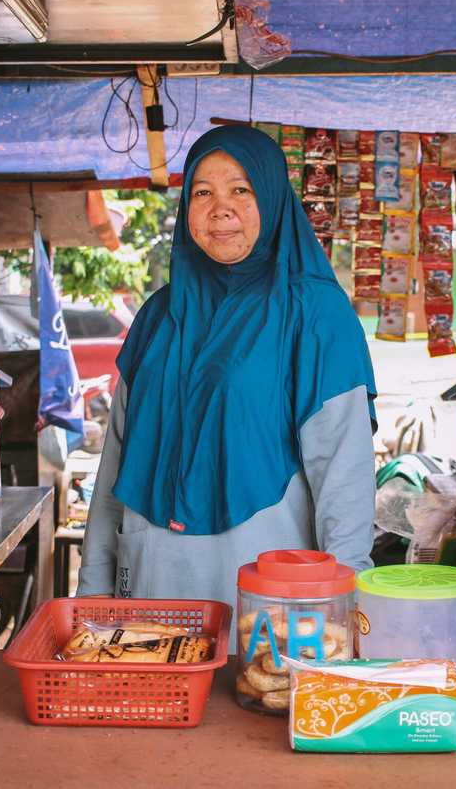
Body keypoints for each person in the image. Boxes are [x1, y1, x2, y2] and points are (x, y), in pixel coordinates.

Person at [77, 125, 377, 607]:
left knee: (251, 682)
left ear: (274, 198)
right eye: (202, 192)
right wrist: (92, 596)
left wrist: (346, 609)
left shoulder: (312, 312)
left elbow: (343, 476)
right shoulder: (158, 316)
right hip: (151, 586)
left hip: (263, 596)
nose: (222, 208)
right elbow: (116, 464)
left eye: (242, 189)